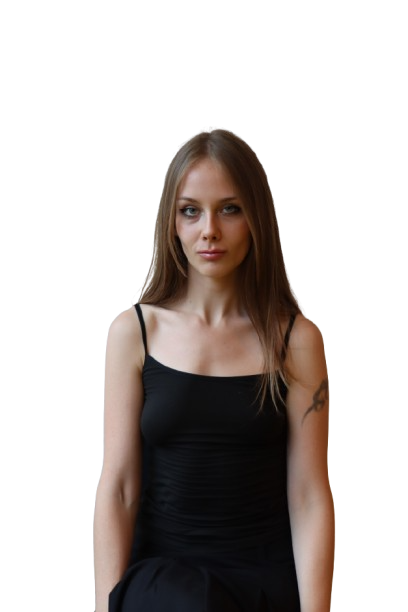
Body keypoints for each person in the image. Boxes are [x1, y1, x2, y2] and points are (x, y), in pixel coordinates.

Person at [93, 126, 335, 612]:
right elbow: (118, 487)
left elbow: (309, 495)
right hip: (163, 580)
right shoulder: (134, 332)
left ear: (256, 218)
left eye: (230, 209)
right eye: (191, 211)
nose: (209, 230)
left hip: (261, 580)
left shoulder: (296, 339)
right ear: (171, 222)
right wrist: (105, 606)